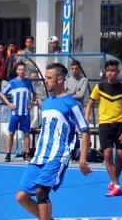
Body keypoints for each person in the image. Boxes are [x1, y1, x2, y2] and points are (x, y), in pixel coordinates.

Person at [15, 63, 92, 220]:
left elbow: (85, 131)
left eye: (49, 78)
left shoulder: (71, 103)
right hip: (40, 156)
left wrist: (82, 159)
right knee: (21, 197)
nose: (46, 81)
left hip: (57, 155)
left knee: (41, 191)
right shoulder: (46, 102)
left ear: (59, 79)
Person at [88, 60, 122, 196]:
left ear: (118, 72)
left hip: (120, 124)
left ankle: (114, 181)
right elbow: (89, 104)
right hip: (105, 124)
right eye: (108, 71)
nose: (110, 73)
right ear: (105, 72)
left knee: (121, 154)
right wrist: (85, 122)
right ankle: (117, 185)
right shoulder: (99, 87)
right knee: (107, 154)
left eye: (113, 71)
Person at [3, 63, 36, 162]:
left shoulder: (28, 82)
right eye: (20, 69)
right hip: (15, 113)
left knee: (26, 133)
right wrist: (9, 104)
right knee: (11, 133)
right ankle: (8, 154)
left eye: (23, 69)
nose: (21, 71)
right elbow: (2, 93)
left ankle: (26, 153)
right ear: (17, 71)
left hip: (25, 113)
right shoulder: (12, 83)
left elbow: (34, 94)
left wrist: (32, 104)